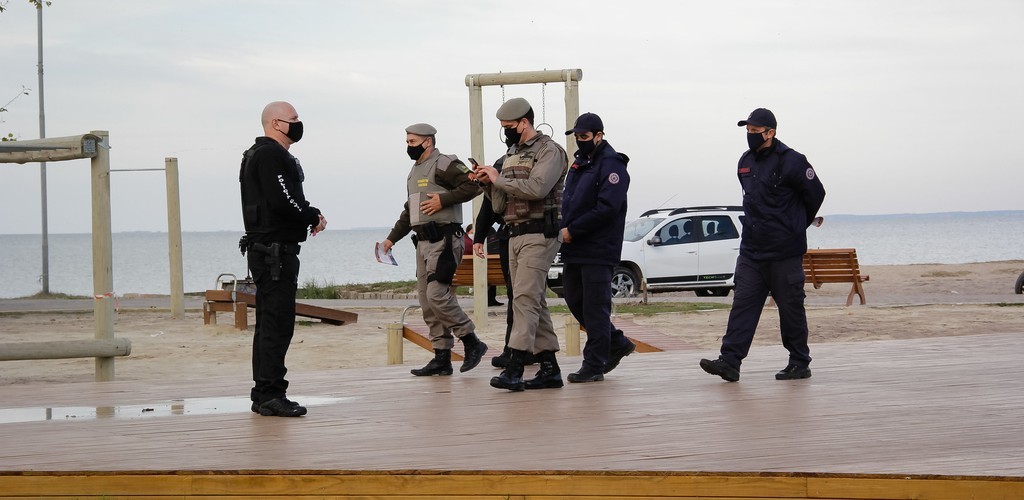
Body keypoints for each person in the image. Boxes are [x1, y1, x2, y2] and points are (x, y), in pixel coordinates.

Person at [699, 108, 826, 382]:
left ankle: (799, 362)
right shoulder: (745, 161)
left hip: (784, 251)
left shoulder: (792, 160)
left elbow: (816, 194)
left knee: (791, 307)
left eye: (756, 132)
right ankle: (730, 361)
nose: (751, 136)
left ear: (771, 132)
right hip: (752, 251)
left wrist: (795, 225)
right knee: (743, 304)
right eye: (748, 131)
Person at [472, 97, 569, 391]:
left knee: (524, 298)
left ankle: (515, 364)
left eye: (509, 127)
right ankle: (550, 368)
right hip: (514, 233)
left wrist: (498, 178)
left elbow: (537, 188)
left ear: (524, 123)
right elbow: (502, 204)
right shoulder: (512, 153)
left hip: (540, 234)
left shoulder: (549, 151)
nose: (506, 133)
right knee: (533, 300)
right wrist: (487, 184)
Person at [239, 101, 327, 417]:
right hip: (273, 253)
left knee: (270, 324)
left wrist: (309, 213)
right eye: (293, 119)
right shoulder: (269, 155)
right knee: (276, 325)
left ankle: (264, 393)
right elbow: (283, 200)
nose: (298, 123)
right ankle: (270, 393)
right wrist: (310, 214)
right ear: (276, 123)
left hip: (270, 250)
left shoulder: (262, 155)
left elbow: (284, 199)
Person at [380, 123, 488, 377]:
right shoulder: (414, 170)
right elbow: (410, 212)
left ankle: (472, 342)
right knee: (427, 300)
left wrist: (444, 199)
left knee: (438, 294)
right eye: (407, 141)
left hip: (445, 240)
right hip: (423, 243)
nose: (409, 146)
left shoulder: (446, 163)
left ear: (428, 141)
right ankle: (441, 357)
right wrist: (391, 239)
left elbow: (473, 186)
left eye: (413, 142)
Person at [558, 113, 637, 383]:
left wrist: (574, 229)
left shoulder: (612, 165)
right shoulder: (579, 163)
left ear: (599, 136)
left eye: (585, 137)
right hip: (574, 247)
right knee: (573, 299)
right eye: (577, 137)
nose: (580, 141)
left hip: (598, 248)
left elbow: (607, 208)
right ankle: (615, 342)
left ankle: (594, 363)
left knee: (595, 307)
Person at [464, 223, 502, 306]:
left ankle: (487, 300)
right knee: (490, 271)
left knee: (487, 272)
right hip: (499, 276)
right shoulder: (496, 244)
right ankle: (491, 299)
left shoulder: (467, 244)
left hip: (468, 276)